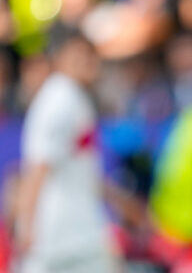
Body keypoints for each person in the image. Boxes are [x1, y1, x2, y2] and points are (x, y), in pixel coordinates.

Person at [14, 33, 120, 273]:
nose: (86, 61)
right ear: (58, 59)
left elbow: (80, 171)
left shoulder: (73, 97)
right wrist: (26, 227)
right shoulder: (60, 100)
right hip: (63, 237)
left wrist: (123, 203)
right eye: (77, 55)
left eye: (90, 54)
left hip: (76, 234)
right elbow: (38, 167)